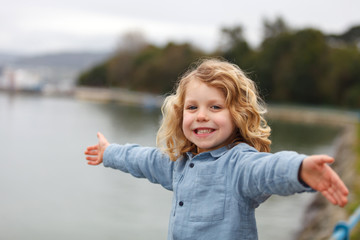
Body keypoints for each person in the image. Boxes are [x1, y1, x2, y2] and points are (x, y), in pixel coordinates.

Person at [84, 58, 348, 240]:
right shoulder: (179, 164)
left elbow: (268, 169)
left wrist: (299, 170)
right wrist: (110, 153)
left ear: (237, 115)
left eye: (215, 107)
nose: (201, 116)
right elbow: (143, 159)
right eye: (192, 107)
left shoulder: (239, 164)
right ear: (179, 115)